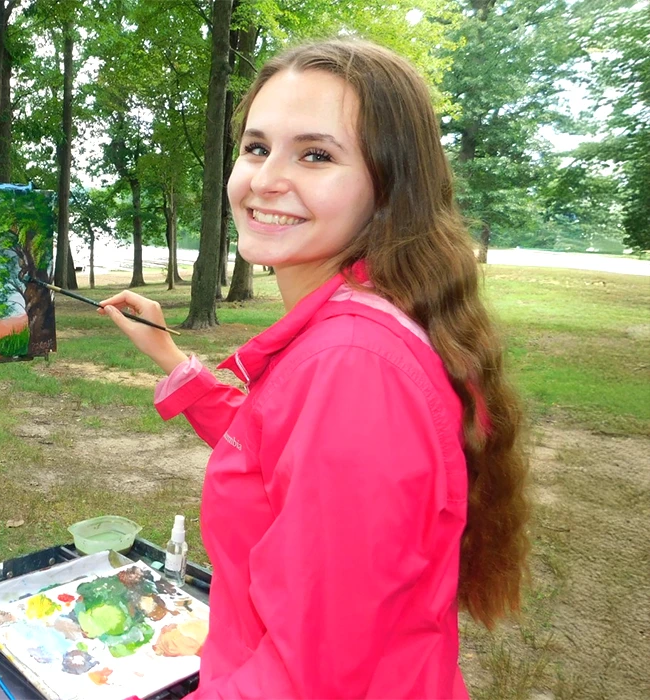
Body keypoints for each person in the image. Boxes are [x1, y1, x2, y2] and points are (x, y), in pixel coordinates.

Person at [99, 39, 530, 698]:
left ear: (389, 186)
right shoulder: (362, 330)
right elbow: (285, 454)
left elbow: (308, 677)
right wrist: (166, 353)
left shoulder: (355, 368)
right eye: (256, 147)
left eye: (316, 155)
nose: (267, 179)